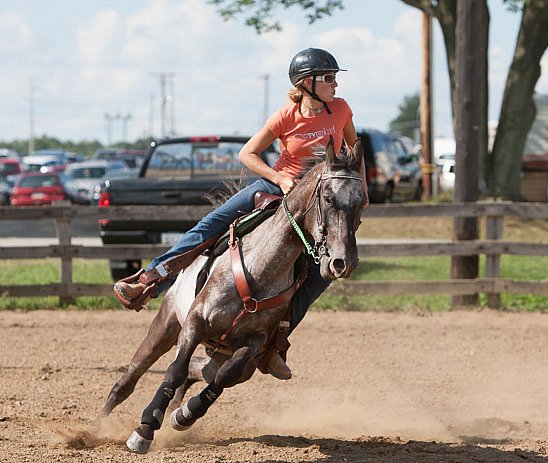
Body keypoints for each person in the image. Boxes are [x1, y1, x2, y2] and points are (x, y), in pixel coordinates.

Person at [114, 47, 363, 380]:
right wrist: (279, 178)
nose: (335, 85)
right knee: (211, 225)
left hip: (317, 205)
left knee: (318, 276)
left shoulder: (342, 110)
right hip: (275, 189)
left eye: (334, 79)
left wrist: (357, 192)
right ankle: (151, 279)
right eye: (329, 78)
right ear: (308, 83)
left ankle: (276, 342)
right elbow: (248, 154)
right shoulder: (286, 116)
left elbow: (353, 152)